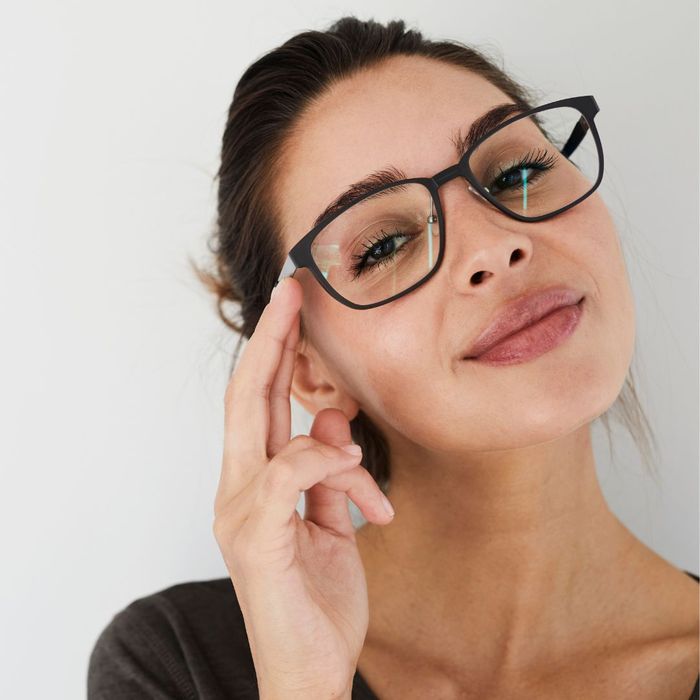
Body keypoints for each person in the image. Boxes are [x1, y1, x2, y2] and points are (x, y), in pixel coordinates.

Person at [87, 15, 699, 700]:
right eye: (383, 245)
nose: (495, 246)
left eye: (518, 172)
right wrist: (304, 684)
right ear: (308, 367)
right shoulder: (178, 665)